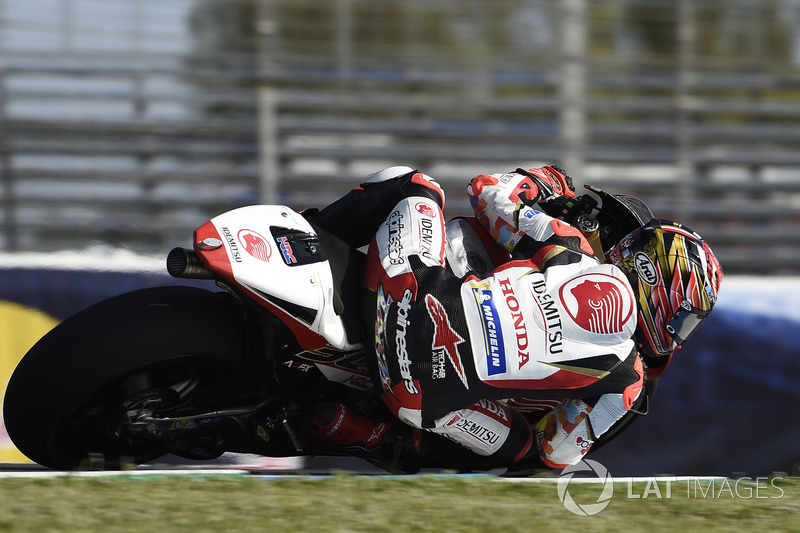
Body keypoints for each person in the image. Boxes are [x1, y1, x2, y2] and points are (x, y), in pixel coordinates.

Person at [301, 164, 723, 472]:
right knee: (524, 450)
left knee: (413, 184)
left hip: (405, 297)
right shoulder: (628, 383)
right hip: (416, 398)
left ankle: (308, 239)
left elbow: (484, 190)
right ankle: (370, 437)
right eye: (682, 320)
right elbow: (556, 452)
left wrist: (541, 181)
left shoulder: (570, 246)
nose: (676, 334)